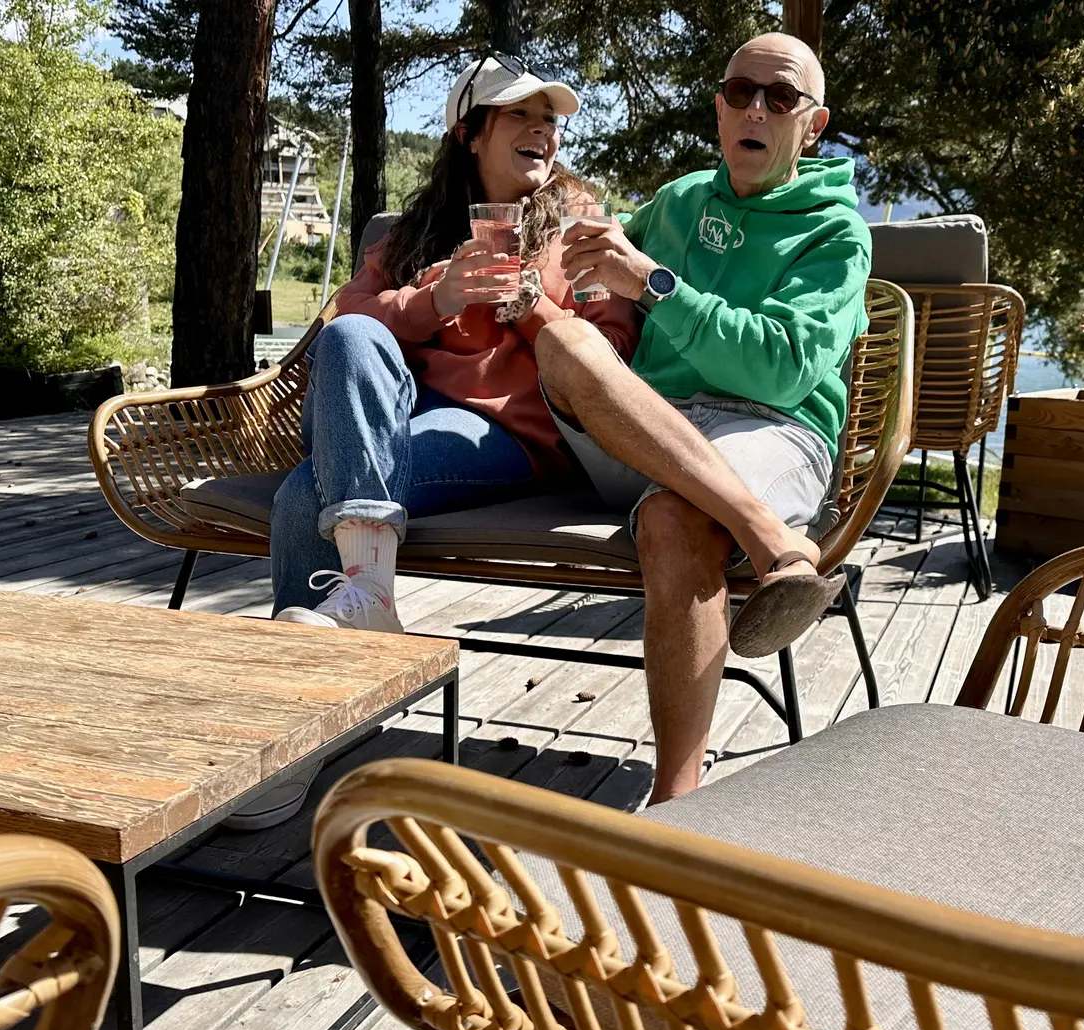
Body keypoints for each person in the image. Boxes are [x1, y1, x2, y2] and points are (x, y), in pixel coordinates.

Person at [244, 56, 635, 830]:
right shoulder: (413, 232)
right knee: (357, 333)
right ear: (469, 133)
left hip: (516, 435)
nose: (542, 131)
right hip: (398, 423)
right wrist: (440, 296)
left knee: (302, 493)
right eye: (518, 115)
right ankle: (366, 609)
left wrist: (529, 307)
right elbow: (344, 324)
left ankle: (299, 733)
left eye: (549, 119)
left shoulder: (584, 229)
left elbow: (610, 355)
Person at [538, 32, 872, 804]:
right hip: (647, 428)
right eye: (739, 92)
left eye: (780, 97)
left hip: (770, 427)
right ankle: (770, 539)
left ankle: (677, 804)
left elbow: (783, 369)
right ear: (720, 107)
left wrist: (656, 286)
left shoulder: (834, 232)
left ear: (811, 126)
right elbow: (587, 269)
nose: (756, 108)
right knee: (565, 343)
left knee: (676, 518)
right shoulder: (682, 199)